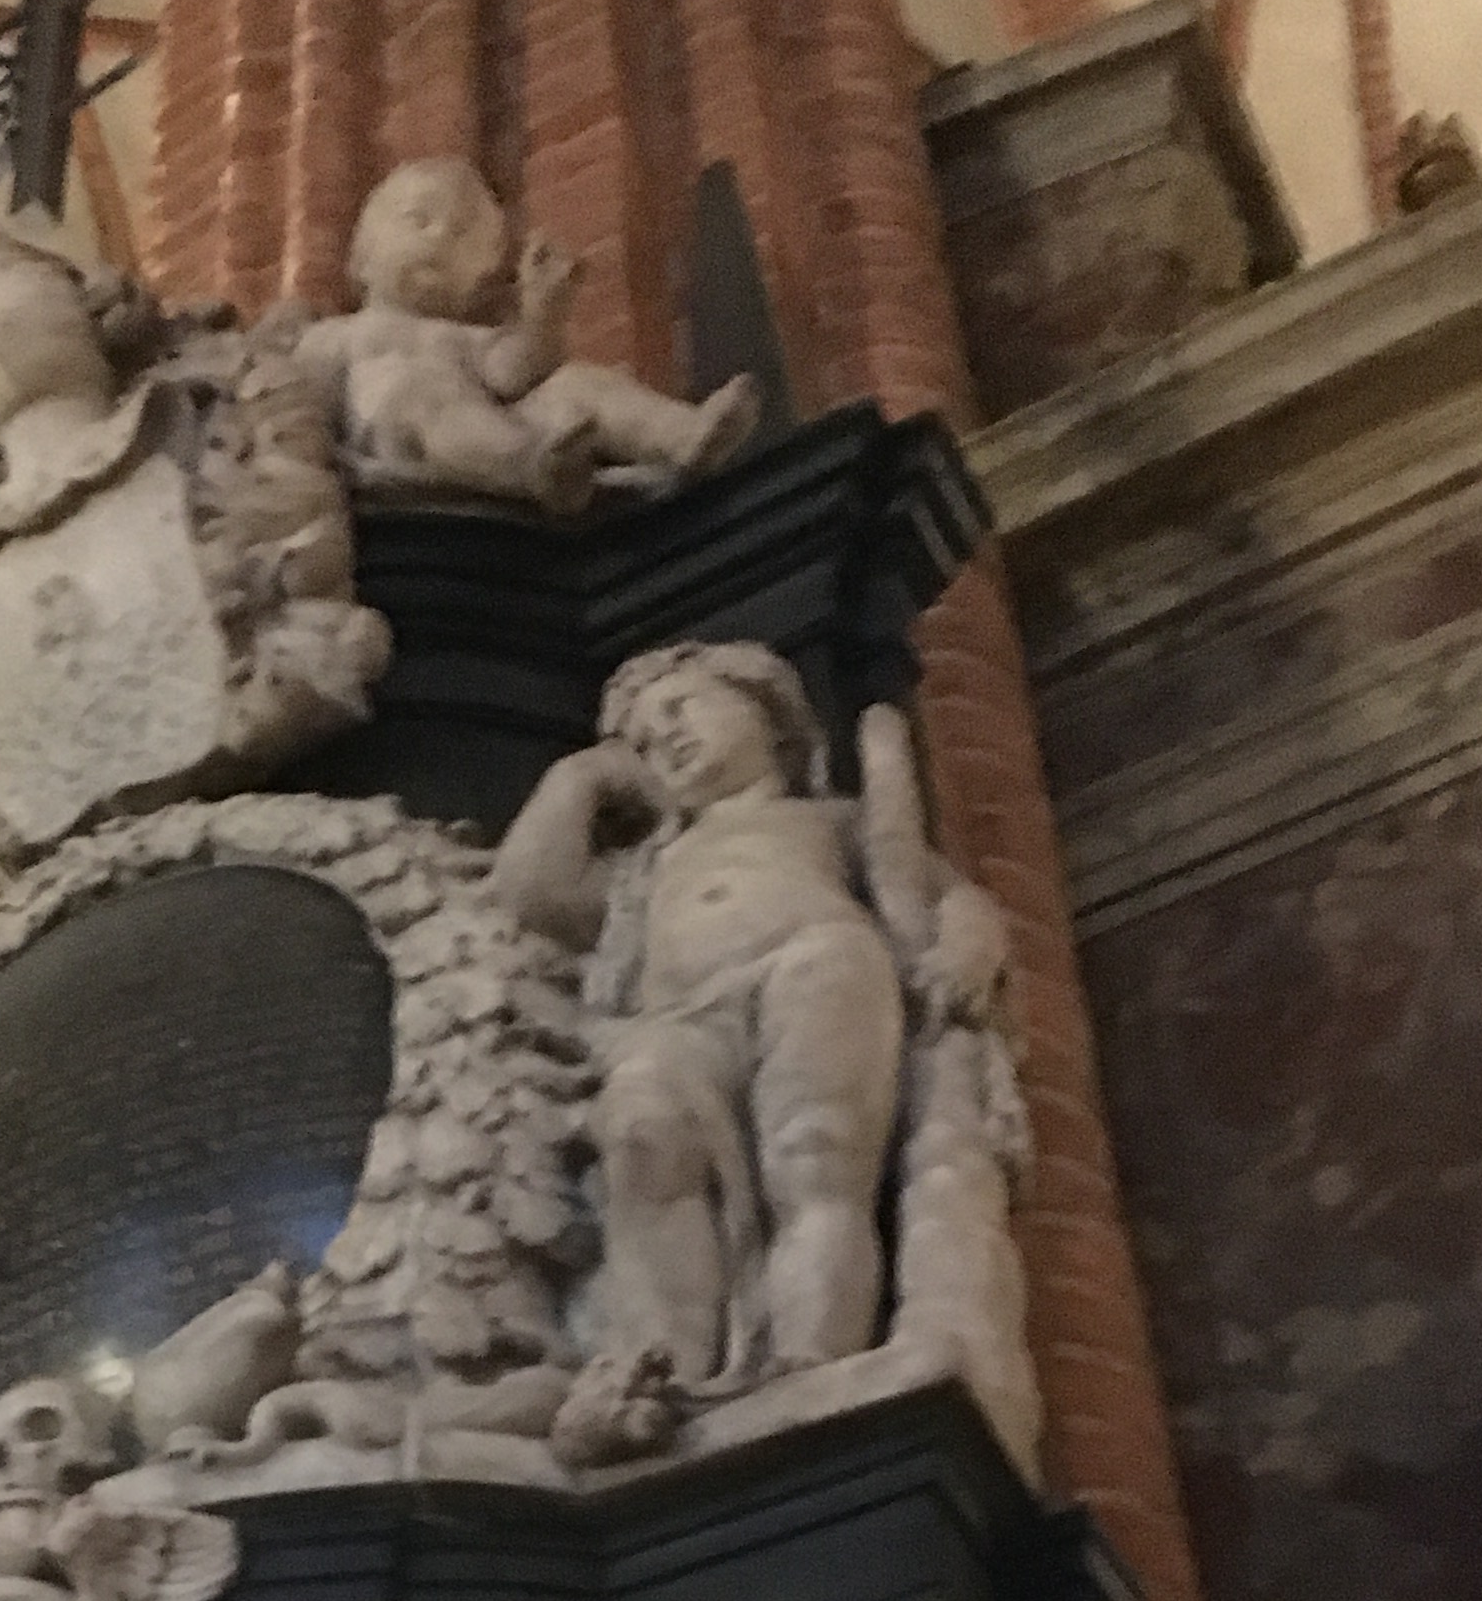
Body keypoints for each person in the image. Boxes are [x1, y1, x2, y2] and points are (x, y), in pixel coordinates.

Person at [497, 641, 1000, 1389]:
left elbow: (947, 893)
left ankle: (813, 1358)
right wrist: (583, 775)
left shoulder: (828, 819)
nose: (664, 737)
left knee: (815, 1157)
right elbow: (529, 893)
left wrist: (966, 949)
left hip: (817, 961)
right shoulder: (645, 868)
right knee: (641, 1140)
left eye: (681, 707)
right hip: (677, 1017)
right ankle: (668, 1373)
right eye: (641, 741)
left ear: (769, 716)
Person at [298, 160, 759, 511]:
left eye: (460, 236)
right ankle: (533, 467)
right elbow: (302, 411)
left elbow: (513, 374)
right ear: (362, 254)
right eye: (419, 220)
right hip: (404, 443)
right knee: (425, 396)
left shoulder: (463, 339)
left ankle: (684, 435)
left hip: (493, 432)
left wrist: (543, 314)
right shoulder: (337, 336)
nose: (438, 238)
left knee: (577, 383)